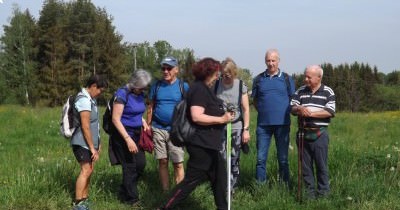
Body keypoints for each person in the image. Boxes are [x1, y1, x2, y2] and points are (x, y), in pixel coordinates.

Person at [159, 57, 234, 210]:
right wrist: (221, 119)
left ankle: (223, 207)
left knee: (219, 179)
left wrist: (224, 114)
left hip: (211, 145)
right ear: (209, 72)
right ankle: (165, 207)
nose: (218, 76)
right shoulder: (199, 89)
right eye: (216, 72)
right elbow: (196, 116)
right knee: (191, 181)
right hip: (201, 145)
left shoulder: (205, 89)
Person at [290, 65, 336, 199]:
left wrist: (309, 113)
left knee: (321, 166)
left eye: (309, 77)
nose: (306, 79)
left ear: (319, 77)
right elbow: (292, 107)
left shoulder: (328, 92)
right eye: (305, 76)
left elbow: (330, 112)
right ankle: (308, 196)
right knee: (305, 168)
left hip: (320, 134)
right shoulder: (300, 90)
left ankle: (323, 195)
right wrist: (299, 108)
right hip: (302, 134)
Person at [251, 49, 295, 185]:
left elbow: (292, 99)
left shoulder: (287, 79)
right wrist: (265, 112)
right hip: (263, 126)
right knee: (260, 159)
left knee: (283, 158)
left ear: (278, 61)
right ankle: (260, 187)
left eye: (273, 60)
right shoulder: (258, 79)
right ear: (265, 61)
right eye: (268, 60)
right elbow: (255, 101)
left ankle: (284, 186)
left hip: (282, 125)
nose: (271, 63)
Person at [147, 56, 189, 192]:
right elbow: (151, 106)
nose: (165, 71)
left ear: (176, 70)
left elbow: (190, 107)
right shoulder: (156, 86)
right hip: (158, 128)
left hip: (176, 131)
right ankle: (166, 192)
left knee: (178, 163)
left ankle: (178, 194)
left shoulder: (183, 86)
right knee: (163, 161)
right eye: (163, 68)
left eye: (169, 68)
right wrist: (148, 126)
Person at [110, 69, 152, 205]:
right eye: (142, 86)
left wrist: (143, 121)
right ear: (135, 83)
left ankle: (124, 189)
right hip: (123, 135)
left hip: (137, 134)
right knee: (130, 166)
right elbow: (116, 119)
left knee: (140, 164)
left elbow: (137, 112)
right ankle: (132, 199)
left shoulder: (140, 94)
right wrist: (127, 139)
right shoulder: (122, 94)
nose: (144, 88)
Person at [71, 74, 108, 210]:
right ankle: (78, 203)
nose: (100, 93)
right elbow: (85, 126)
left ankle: (85, 200)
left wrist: (98, 143)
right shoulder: (83, 100)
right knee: (85, 170)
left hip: (89, 142)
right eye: (100, 90)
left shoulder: (91, 100)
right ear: (93, 86)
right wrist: (92, 148)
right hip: (81, 142)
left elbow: (94, 124)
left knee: (90, 170)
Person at [214, 57, 250, 192]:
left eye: (228, 75)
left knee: (234, 157)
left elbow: (246, 109)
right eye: (223, 75)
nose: (225, 78)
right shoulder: (216, 85)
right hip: (220, 125)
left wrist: (246, 129)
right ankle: (222, 183)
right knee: (221, 156)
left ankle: (232, 186)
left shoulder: (241, 86)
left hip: (236, 126)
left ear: (233, 73)